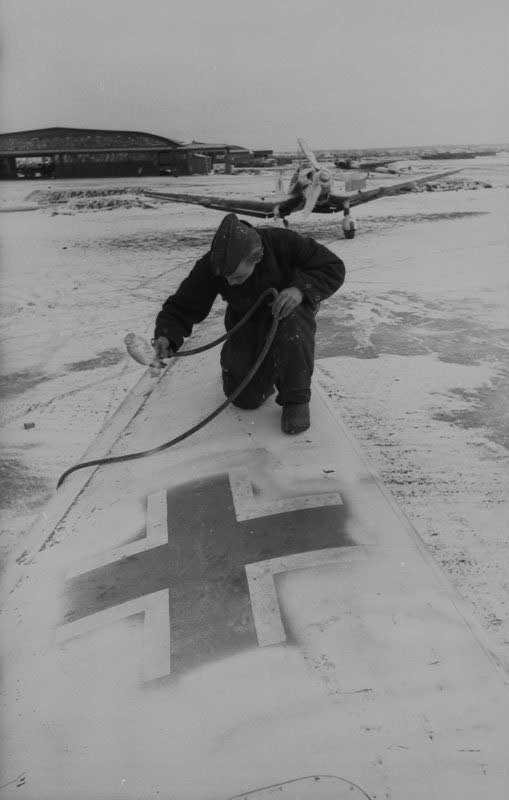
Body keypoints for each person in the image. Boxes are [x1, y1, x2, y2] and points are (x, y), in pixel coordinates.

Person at [153, 213, 345, 434]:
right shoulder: (213, 264)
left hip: (288, 312)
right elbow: (182, 306)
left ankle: (296, 397)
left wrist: (300, 290)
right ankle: (266, 368)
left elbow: (333, 267)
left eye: (236, 277)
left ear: (256, 258)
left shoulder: (283, 242)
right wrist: (166, 336)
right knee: (244, 398)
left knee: (293, 323)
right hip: (246, 318)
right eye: (226, 278)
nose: (230, 282)